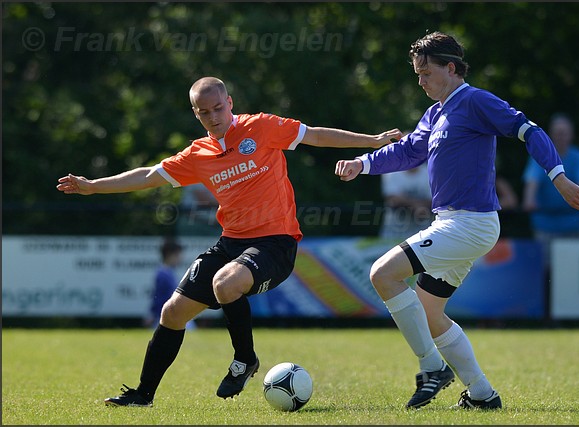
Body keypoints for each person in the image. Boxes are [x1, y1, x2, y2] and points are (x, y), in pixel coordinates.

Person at [57, 76, 402, 407]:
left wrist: (372, 141)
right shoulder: (198, 154)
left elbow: (314, 135)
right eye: (203, 112)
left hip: (276, 243)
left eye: (217, 108)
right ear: (195, 113)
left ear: (229, 103)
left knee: (225, 283)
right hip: (231, 243)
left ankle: (244, 360)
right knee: (173, 312)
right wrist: (92, 185)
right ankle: (142, 394)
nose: (212, 117)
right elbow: (148, 175)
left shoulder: (262, 127)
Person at [335, 31, 579, 410]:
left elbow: (528, 130)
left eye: (426, 73)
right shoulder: (436, 113)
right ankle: (483, 395)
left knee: (382, 274)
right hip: (454, 223)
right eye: (417, 74)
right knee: (430, 313)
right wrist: (363, 163)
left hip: (470, 224)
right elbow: (407, 152)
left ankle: (431, 368)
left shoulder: (475, 101)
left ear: (450, 68)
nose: (420, 81)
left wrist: (559, 176)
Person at [522, 113, 579, 268]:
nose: (561, 137)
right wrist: (529, 200)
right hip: (544, 226)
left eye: (564, 133)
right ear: (551, 134)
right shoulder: (540, 155)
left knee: (573, 270)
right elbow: (531, 185)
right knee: (545, 272)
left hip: (573, 226)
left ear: (571, 135)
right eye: (557, 133)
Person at [146, 238, 196, 330]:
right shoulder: (163, 274)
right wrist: (153, 314)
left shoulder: (169, 272)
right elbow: (159, 297)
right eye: (177, 255)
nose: (180, 258)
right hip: (168, 315)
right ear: (170, 255)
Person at [379, 162, 433, 240]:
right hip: (394, 233)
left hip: (424, 234)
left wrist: (415, 205)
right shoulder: (391, 171)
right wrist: (416, 206)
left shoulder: (430, 172)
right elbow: (393, 199)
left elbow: (435, 200)